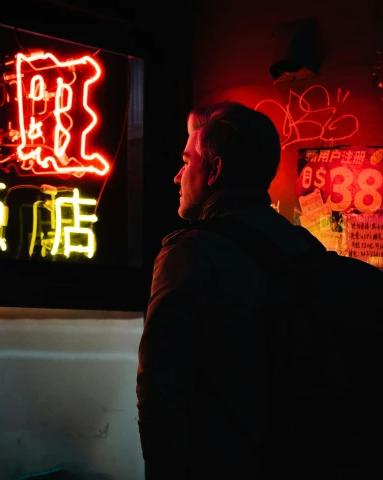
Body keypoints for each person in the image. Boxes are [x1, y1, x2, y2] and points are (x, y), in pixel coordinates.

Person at [136, 102, 327, 479]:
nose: (177, 176)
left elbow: (160, 388)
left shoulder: (190, 252)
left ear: (215, 169)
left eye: (187, 161)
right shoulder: (306, 248)